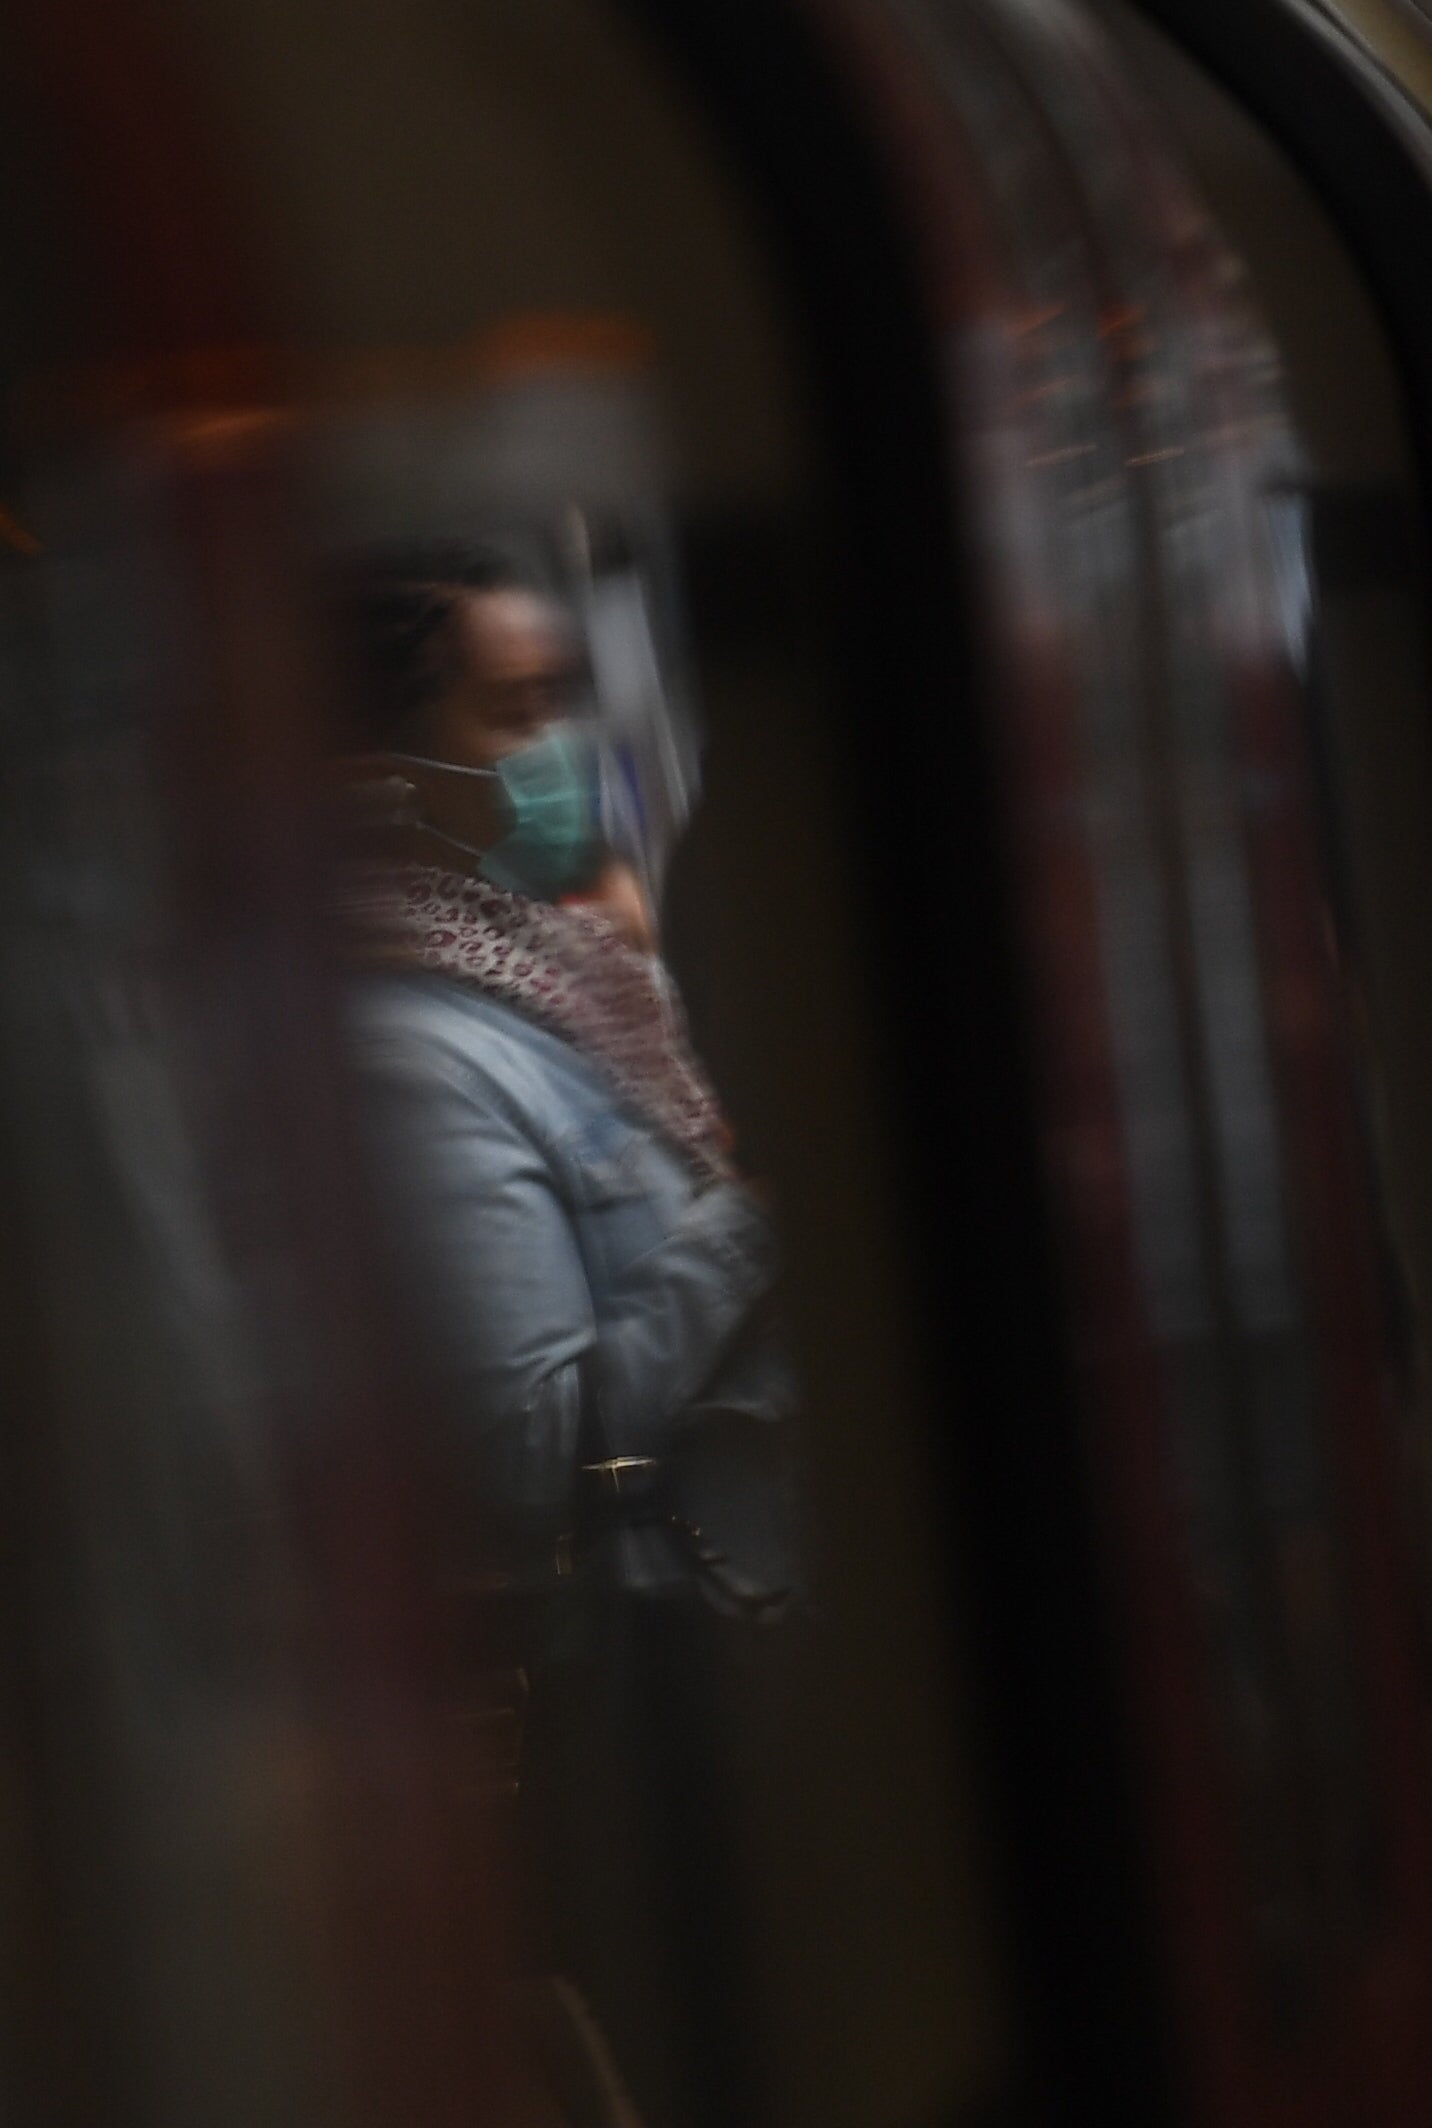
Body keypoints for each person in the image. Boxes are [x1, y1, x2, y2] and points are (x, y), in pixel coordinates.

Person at [333, 539, 796, 2128]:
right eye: (515, 710)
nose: (559, 760)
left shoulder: (559, 979)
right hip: (647, 1698)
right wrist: (751, 1220)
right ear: (385, 763)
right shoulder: (407, 1046)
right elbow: (521, 1458)